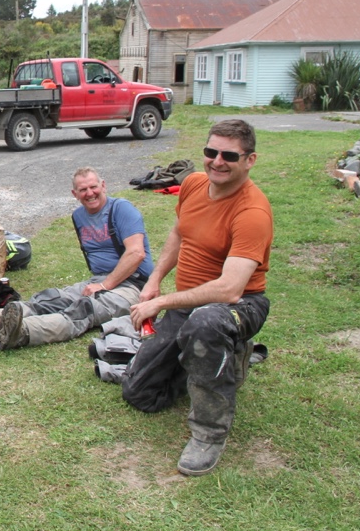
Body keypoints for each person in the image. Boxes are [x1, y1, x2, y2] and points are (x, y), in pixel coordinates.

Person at [123, 119, 273, 477]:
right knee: (140, 393)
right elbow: (179, 232)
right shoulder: (192, 184)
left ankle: (208, 433)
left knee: (206, 325)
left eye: (229, 156)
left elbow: (230, 289)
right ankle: (214, 361)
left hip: (239, 306)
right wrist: (155, 280)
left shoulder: (252, 212)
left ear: (250, 160)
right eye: (211, 151)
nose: (217, 161)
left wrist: (161, 303)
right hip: (188, 305)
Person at [0, 167, 154, 351]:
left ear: (103, 185)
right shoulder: (79, 216)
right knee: (53, 298)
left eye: (93, 187)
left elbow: (136, 254)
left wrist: (105, 286)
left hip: (133, 285)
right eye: (83, 190)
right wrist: (100, 284)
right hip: (99, 280)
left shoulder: (121, 209)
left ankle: (24, 331)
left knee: (83, 310)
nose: (89, 193)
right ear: (75, 194)